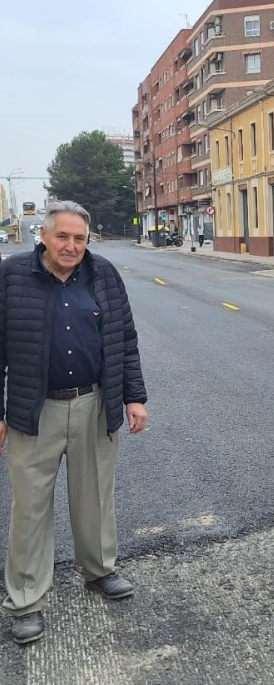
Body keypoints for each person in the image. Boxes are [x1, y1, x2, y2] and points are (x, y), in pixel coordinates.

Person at [0, 200, 148, 646]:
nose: (70, 246)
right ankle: (25, 600)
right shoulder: (11, 277)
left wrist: (135, 397)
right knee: (30, 507)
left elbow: (125, 337)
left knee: (96, 496)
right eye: (62, 236)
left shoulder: (104, 275)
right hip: (34, 409)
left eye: (79, 238)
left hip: (94, 403)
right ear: (42, 235)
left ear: (89, 240)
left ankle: (99, 569)